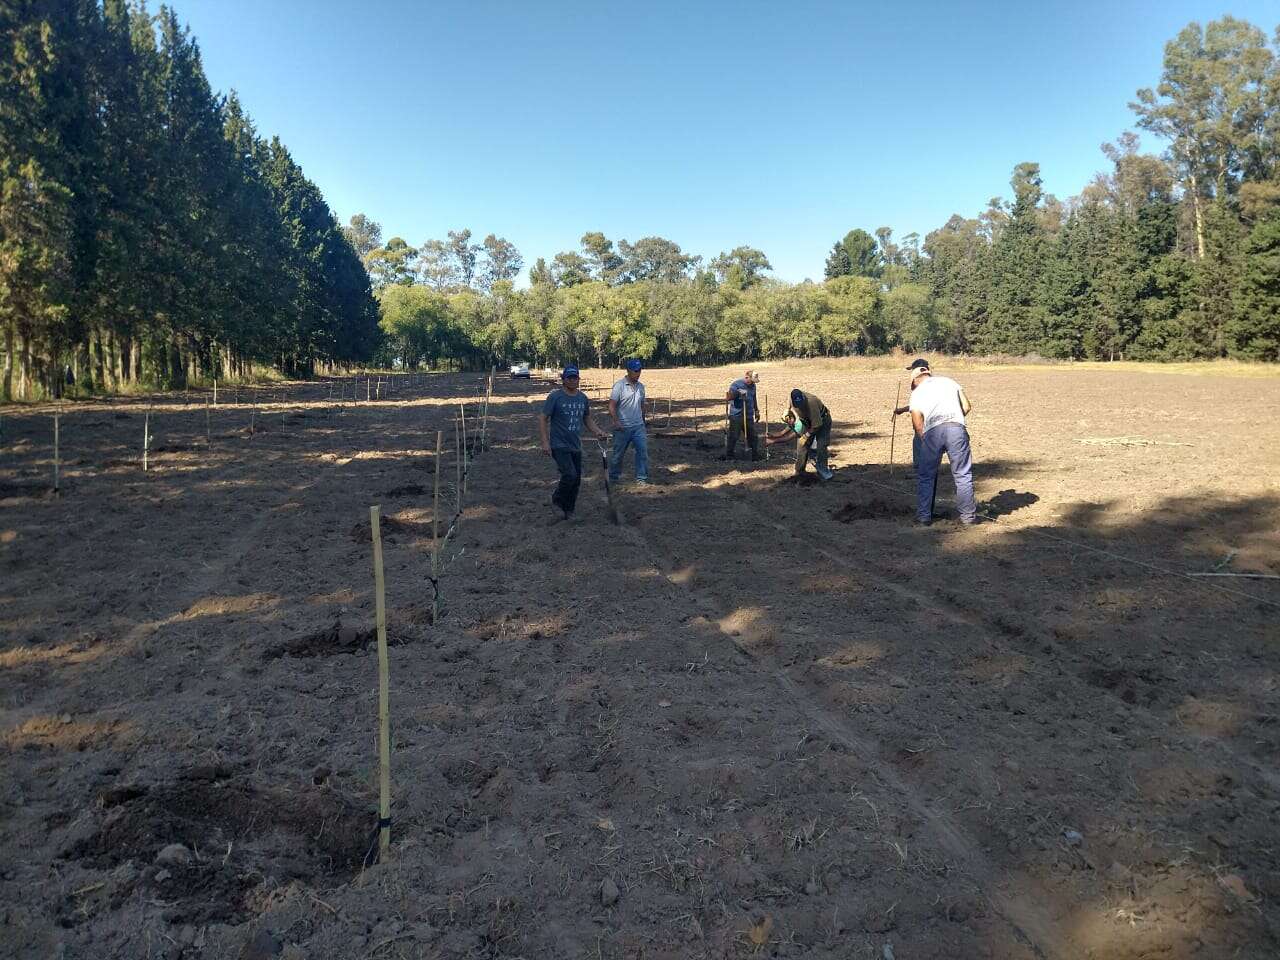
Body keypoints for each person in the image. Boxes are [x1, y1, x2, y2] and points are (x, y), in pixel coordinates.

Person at [908, 363, 977, 525]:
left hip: (933, 432)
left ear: (916, 380)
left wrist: (923, 437)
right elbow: (967, 406)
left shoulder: (918, 392)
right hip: (957, 430)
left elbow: (917, 419)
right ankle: (968, 518)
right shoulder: (950, 382)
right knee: (963, 475)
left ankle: (924, 516)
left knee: (926, 476)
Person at [539, 366, 608, 521]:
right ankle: (556, 501)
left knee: (576, 480)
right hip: (558, 444)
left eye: (575, 377)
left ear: (578, 379)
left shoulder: (582, 398)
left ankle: (568, 510)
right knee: (569, 474)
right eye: (569, 378)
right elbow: (543, 418)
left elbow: (587, 418)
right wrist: (545, 442)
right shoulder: (555, 397)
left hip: (575, 445)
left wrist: (598, 431)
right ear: (563, 379)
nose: (572, 380)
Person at [766, 388, 834, 480]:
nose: (799, 407)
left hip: (822, 421)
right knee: (801, 445)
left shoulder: (811, 403)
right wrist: (787, 410)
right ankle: (799, 471)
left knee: (821, 445)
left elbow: (816, 426)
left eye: (801, 405)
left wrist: (806, 435)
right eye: (797, 405)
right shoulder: (792, 398)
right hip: (806, 420)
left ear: (803, 398)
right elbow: (793, 425)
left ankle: (823, 472)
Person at [608, 359, 648, 484]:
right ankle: (613, 478)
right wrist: (616, 421)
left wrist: (643, 421)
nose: (638, 373)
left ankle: (642, 479)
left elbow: (642, 405)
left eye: (640, 370)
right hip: (622, 428)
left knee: (642, 452)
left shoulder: (641, 387)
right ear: (628, 371)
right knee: (617, 456)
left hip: (638, 427)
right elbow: (611, 405)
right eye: (635, 371)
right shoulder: (619, 386)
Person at [892, 358, 929, 475]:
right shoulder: (931, 383)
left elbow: (917, 405)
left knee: (920, 443)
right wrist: (902, 410)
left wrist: (901, 410)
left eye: (913, 370)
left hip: (923, 422)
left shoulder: (920, 386)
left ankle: (920, 470)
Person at [724, 370, 760, 460]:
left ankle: (754, 455)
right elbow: (728, 398)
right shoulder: (736, 385)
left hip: (748, 415)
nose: (752, 383)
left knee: (753, 436)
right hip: (736, 415)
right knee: (734, 436)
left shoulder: (753, 386)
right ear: (747, 377)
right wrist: (738, 393)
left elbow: (754, 398)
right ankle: (729, 455)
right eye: (751, 381)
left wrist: (756, 410)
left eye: (753, 382)